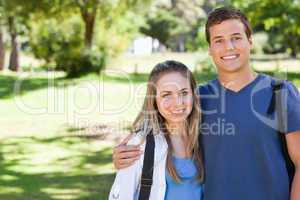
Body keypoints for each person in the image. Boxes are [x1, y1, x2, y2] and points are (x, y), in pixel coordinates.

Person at [112, 7, 300, 200]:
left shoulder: (280, 93)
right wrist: (127, 155)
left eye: (236, 37)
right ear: (210, 49)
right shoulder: (197, 99)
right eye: (219, 40)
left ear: (250, 41)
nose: (229, 47)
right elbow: (159, 131)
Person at [109, 60, 204, 200]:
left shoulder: (203, 137)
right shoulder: (140, 143)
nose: (178, 103)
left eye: (184, 92)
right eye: (166, 95)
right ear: (154, 99)